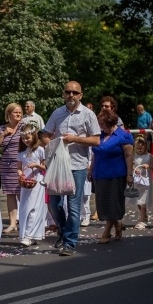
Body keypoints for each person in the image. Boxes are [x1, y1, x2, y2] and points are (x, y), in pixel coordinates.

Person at [43, 81, 101, 256]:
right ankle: (62, 230)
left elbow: (96, 140)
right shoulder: (57, 113)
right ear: (63, 94)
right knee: (54, 203)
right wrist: (53, 144)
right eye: (68, 92)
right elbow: (45, 135)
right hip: (58, 165)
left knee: (74, 206)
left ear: (80, 95)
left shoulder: (88, 114)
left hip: (77, 165)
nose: (71, 95)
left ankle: (70, 243)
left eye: (75, 93)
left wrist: (75, 139)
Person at [90, 109, 134, 243]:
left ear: (110, 122)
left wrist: (129, 174)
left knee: (113, 204)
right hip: (99, 174)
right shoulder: (100, 136)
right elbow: (96, 154)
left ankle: (106, 232)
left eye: (102, 123)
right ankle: (118, 225)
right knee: (103, 205)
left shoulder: (123, 136)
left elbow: (129, 156)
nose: (100, 126)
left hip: (116, 175)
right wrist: (90, 169)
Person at [0, 102, 24, 234]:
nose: (18, 114)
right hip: (6, 165)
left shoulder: (24, 127)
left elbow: (32, 142)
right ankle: (12, 223)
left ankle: (24, 222)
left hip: (21, 164)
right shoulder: (1, 128)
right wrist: (4, 134)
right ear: (8, 114)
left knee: (22, 194)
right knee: (10, 195)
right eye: (15, 112)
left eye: (20, 112)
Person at [16, 124, 46, 247]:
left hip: (37, 180)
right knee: (24, 208)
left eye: (27, 138)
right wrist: (21, 174)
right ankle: (26, 235)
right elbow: (18, 168)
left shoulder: (40, 150)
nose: (25, 141)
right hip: (26, 182)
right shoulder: (22, 152)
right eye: (23, 139)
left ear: (33, 136)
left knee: (34, 208)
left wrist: (37, 165)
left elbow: (45, 166)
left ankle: (29, 235)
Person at [129, 135, 153, 230]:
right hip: (137, 180)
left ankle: (142, 220)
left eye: (142, 147)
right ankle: (144, 216)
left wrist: (148, 166)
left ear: (145, 146)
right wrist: (134, 169)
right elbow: (131, 165)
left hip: (146, 181)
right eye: (138, 148)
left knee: (143, 201)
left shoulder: (149, 156)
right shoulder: (133, 156)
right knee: (138, 200)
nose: (140, 149)